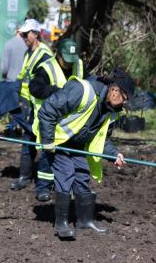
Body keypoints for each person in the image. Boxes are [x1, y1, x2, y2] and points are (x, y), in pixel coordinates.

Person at [37, 69, 133, 239]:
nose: (123, 104)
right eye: (124, 99)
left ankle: (84, 221)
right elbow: (47, 109)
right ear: (115, 90)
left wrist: (114, 154)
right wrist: (48, 141)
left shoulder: (108, 109)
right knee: (66, 172)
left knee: (82, 175)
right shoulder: (81, 91)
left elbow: (100, 138)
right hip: (57, 140)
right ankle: (61, 224)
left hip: (77, 144)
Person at [28, 38, 86, 201]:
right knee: (48, 153)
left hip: (72, 122)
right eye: (65, 60)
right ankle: (43, 188)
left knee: (70, 156)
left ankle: (68, 187)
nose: (69, 64)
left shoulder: (79, 65)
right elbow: (34, 88)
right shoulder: (46, 68)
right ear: (58, 54)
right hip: (49, 121)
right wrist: (56, 92)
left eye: (71, 61)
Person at [10, 19, 53, 194]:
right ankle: (24, 177)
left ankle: (44, 185)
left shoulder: (44, 53)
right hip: (29, 104)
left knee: (44, 145)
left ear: (35, 34)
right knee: (28, 141)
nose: (24, 37)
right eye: (22, 34)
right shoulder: (28, 53)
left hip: (43, 107)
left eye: (26, 34)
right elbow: (20, 73)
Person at [0, 32, 27, 131]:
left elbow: (4, 68)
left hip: (12, 79)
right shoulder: (29, 44)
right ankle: (23, 127)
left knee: (13, 107)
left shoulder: (9, 44)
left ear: (16, 31)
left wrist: (2, 75)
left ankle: (12, 128)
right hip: (26, 80)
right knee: (25, 105)